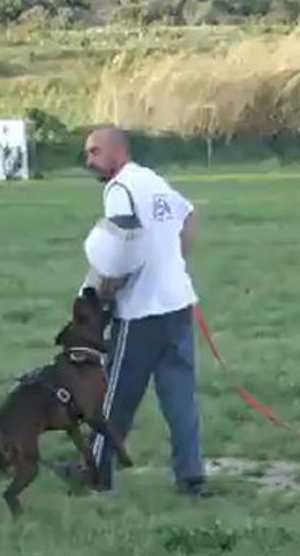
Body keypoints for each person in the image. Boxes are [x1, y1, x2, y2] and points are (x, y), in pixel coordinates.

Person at [62, 125, 208, 497]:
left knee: (113, 397)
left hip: (141, 314)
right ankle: (191, 477)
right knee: (180, 398)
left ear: (117, 152)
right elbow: (189, 216)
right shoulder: (151, 180)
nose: (89, 160)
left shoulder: (121, 188)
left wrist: (107, 287)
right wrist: (172, 264)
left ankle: (94, 471)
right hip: (177, 305)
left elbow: (122, 244)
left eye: (95, 152)